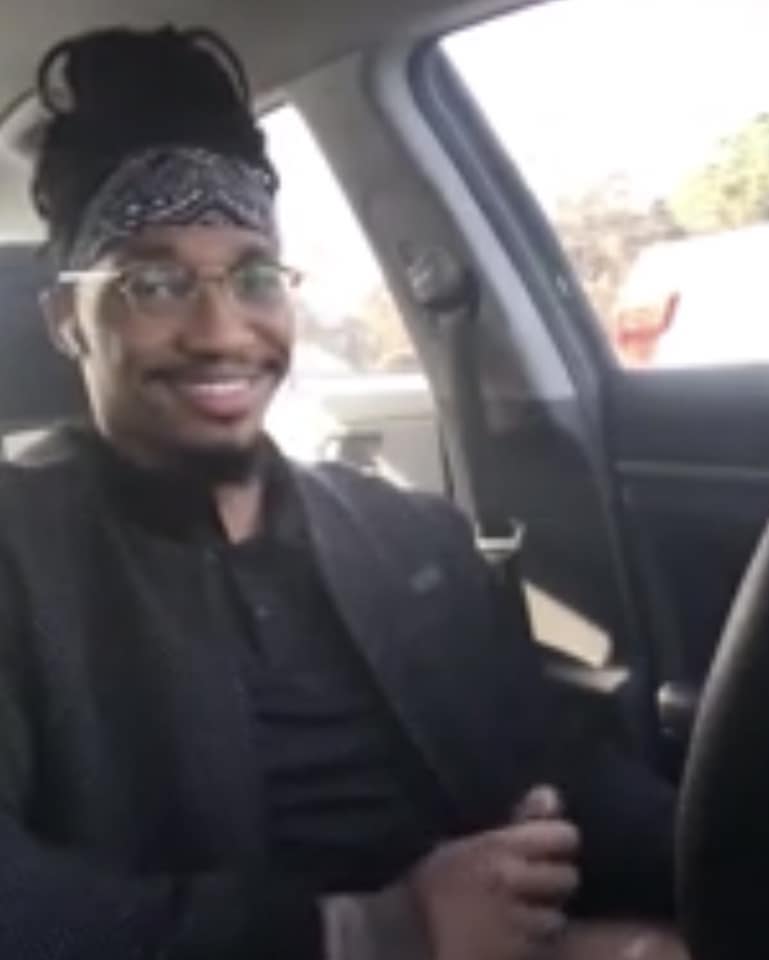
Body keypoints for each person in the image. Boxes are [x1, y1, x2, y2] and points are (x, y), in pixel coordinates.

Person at [0, 24, 682, 959]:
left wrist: (747, 864)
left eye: (255, 277)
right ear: (67, 322)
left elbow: (555, 759)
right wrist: (375, 930)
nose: (221, 330)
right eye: (154, 283)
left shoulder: (411, 537)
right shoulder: (18, 559)